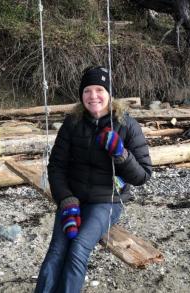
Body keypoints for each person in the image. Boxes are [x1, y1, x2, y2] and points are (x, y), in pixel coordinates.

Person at [35, 66, 152, 293]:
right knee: (57, 249)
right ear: (81, 95)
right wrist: (66, 198)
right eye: (88, 90)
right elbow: (56, 166)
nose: (93, 96)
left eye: (99, 90)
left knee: (78, 248)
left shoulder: (127, 124)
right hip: (74, 199)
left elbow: (143, 176)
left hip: (106, 201)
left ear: (109, 94)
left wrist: (121, 154)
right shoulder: (72, 123)